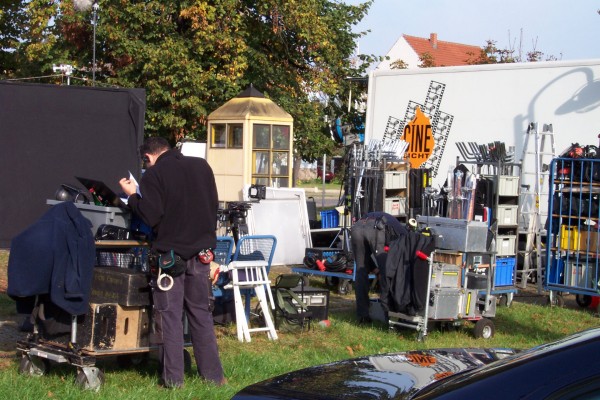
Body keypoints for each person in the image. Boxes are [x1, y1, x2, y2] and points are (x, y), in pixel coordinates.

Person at [119, 137, 225, 389]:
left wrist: (132, 197)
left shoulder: (154, 175)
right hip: (201, 252)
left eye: (145, 162)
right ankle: (214, 377)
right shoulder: (202, 166)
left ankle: (173, 380)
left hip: (171, 256)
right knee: (201, 314)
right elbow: (213, 205)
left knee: (169, 317)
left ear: (148, 157)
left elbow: (151, 215)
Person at [350, 211, 408, 324]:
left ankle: (363, 316)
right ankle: (388, 314)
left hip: (357, 227)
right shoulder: (404, 234)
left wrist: (375, 270)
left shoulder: (393, 225)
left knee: (361, 271)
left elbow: (365, 260)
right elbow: (396, 259)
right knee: (386, 273)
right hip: (376, 227)